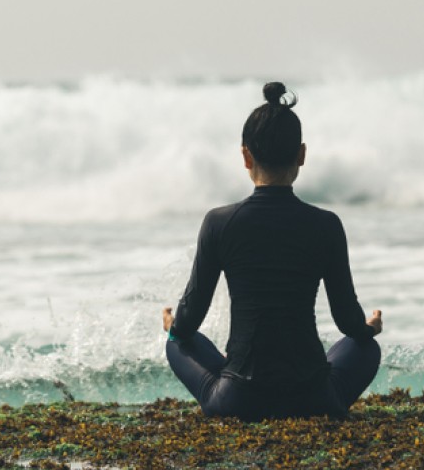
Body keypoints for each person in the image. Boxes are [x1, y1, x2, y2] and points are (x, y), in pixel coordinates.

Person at [162, 82, 382, 421]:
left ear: (246, 156)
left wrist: (173, 327)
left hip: (236, 401)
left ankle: (226, 382)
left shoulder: (219, 223)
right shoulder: (326, 225)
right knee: (366, 348)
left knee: (177, 342)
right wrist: (370, 328)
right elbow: (348, 322)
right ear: (302, 155)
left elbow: (189, 321)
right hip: (314, 399)